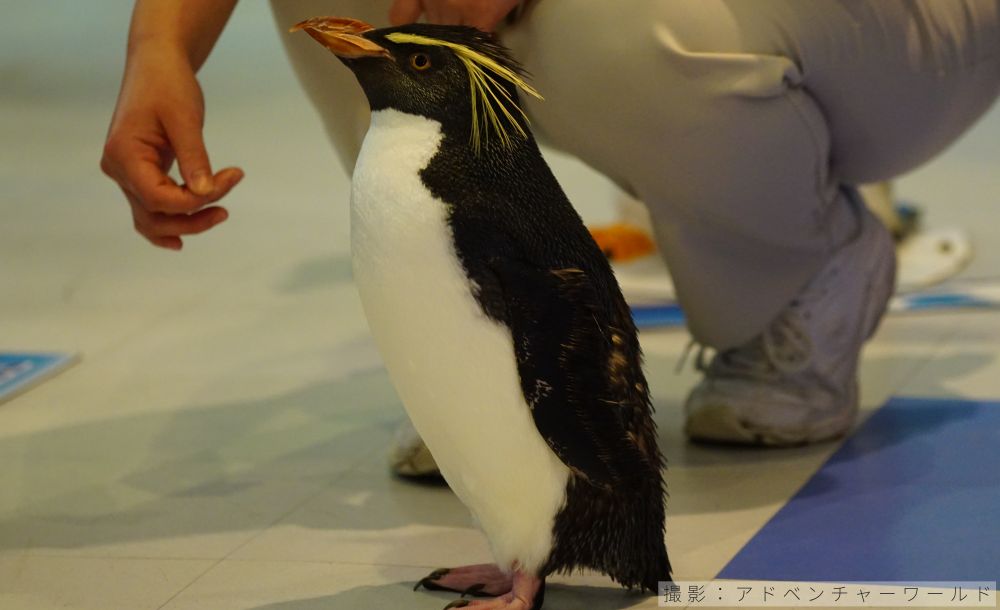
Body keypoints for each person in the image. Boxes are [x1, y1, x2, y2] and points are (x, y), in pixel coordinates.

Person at [102, 1, 1000, 473]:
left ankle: (797, 271)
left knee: (630, 23)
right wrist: (160, 53)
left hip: (894, 27)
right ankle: (488, 332)